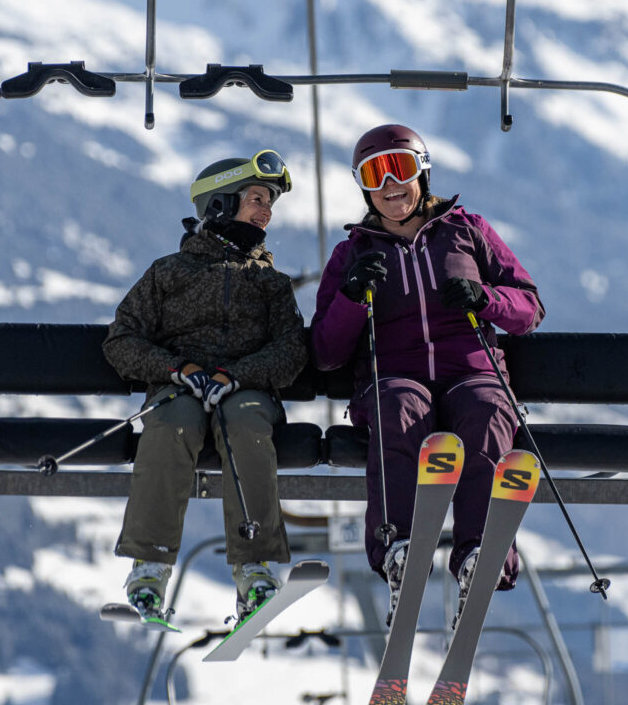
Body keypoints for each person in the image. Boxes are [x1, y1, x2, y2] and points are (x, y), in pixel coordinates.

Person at [310, 124, 545, 624]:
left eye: (402, 167)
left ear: (424, 171)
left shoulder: (467, 231)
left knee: (484, 411)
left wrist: (486, 301)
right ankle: (401, 551)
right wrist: (353, 297)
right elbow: (326, 351)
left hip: (472, 371)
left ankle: (479, 554)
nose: (392, 184)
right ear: (364, 186)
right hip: (395, 375)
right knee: (398, 409)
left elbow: (529, 309)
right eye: (377, 173)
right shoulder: (353, 253)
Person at [103, 149, 307, 621]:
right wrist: (177, 370)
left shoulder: (270, 283)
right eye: (257, 198)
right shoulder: (168, 274)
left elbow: (291, 350)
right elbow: (122, 340)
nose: (267, 211)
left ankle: (254, 566)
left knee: (245, 421)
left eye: (270, 202)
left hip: (246, 391)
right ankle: (150, 564)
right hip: (182, 388)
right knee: (170, 419)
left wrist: (237, 375)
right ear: (219, 204)